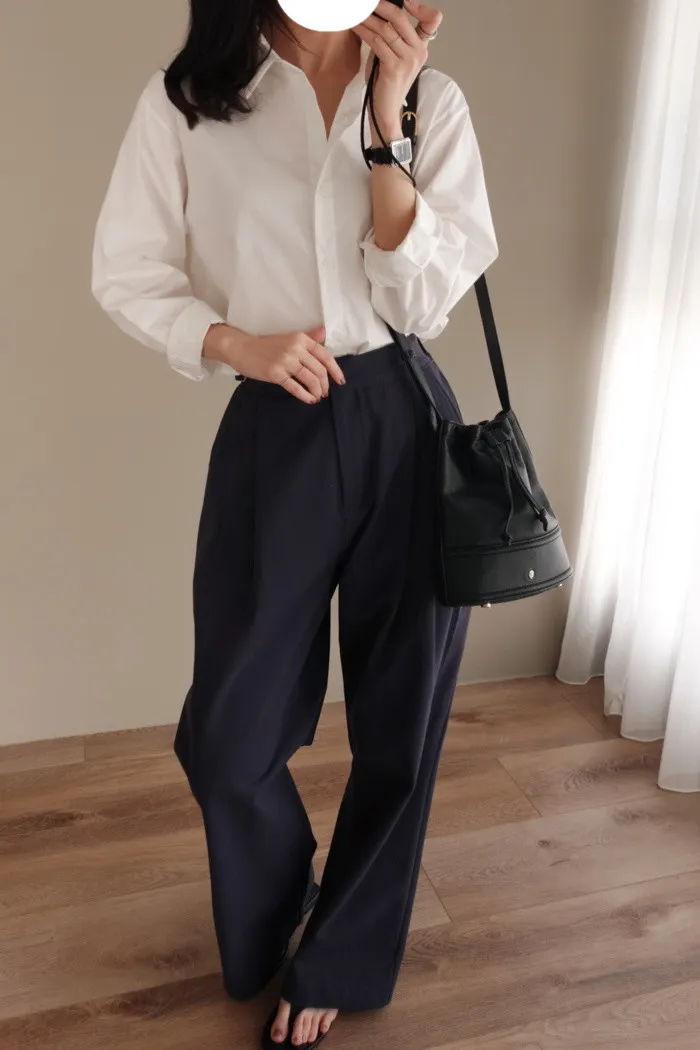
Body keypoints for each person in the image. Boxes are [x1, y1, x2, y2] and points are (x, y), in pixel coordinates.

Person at [91, 0, 498, 1046]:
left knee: (402, 716)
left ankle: (342, 954)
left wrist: (386, 122)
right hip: (278, 416)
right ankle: (282, 912)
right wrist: (237, 344)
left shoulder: (432, 100)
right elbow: (126, 269)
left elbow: (426, 301)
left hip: (406, 418)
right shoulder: (193, 100)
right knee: (229, 734)